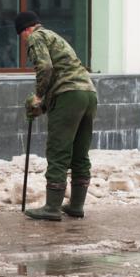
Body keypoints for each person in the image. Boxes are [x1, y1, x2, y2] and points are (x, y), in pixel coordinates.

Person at [16, 11, 97, 221]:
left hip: (69, 95)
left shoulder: (36, 37)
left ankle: (52, 207)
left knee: (58, 150)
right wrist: (42, 106)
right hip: (88, 94)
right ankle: (76, 206)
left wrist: (37, 96)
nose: (24, 42)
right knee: (80, 153)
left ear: (25, 30)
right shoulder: (54, 37)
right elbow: (61, 73)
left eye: (21, 36)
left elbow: (45, 67)